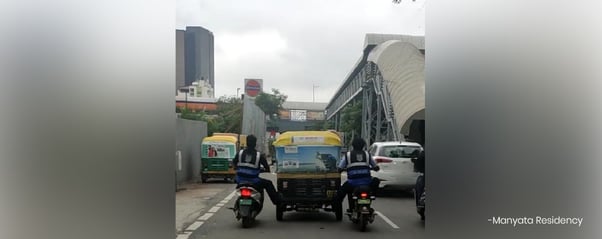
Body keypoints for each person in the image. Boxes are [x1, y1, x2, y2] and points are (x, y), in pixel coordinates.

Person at [232, 134, 281, 205]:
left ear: (246, 142)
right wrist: (264, 170)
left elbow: (234, 163)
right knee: (268, 183)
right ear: (255, 144)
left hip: (240, 180)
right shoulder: (259, 155)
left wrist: (237, 168)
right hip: (254, 181)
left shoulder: (240, 153)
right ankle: (277, 201)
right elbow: (267, 168)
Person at [335, 138, 380, 212]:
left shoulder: (348, 155)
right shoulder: (367, 154)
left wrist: (341, 170)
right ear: (363, 146)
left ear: (352, 145)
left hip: (352, 183)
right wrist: (374, 168)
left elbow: (340, 168)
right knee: (376, 180)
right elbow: (376, 167)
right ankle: (372, 195)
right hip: (367, 182)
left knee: (338, 196)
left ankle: (339, 209)